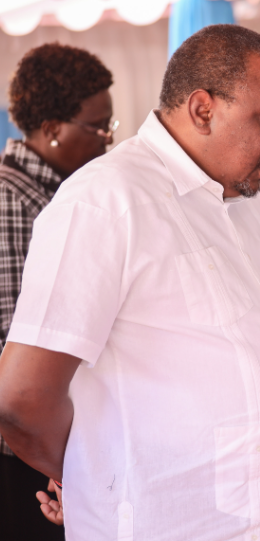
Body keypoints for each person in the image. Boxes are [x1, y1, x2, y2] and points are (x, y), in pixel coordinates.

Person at [0, 25, 260, 540]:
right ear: (203, 109)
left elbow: (236, 352)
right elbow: (22, 398)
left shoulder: (252, 207)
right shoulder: (105, 201)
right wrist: (92, 478)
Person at [0, 42, 114, 541]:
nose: (110, 139)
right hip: (27, 458)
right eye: (98, 126)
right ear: (51, 130)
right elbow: (14, 363)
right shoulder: (12, 202)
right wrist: (63, 462)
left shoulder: (61, 195)